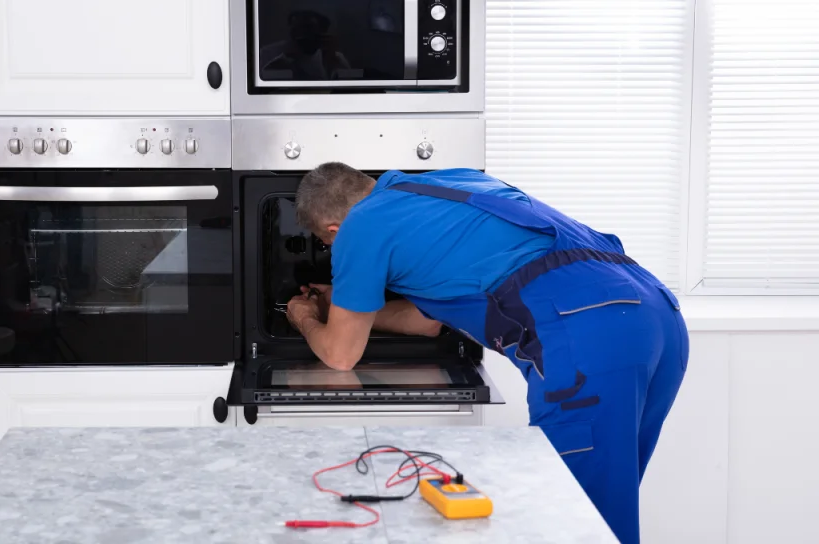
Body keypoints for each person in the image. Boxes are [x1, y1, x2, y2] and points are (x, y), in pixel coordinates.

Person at [284, 162, 689, 544]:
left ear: (333, 229)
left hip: (587, 335)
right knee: (600, 514)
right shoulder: (453, 183)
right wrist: (343, 303)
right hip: (655, 315)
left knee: (568, 519)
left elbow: (340, 355)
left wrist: (302, 316)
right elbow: (426, 322)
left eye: (328, 244)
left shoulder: (359, 227)